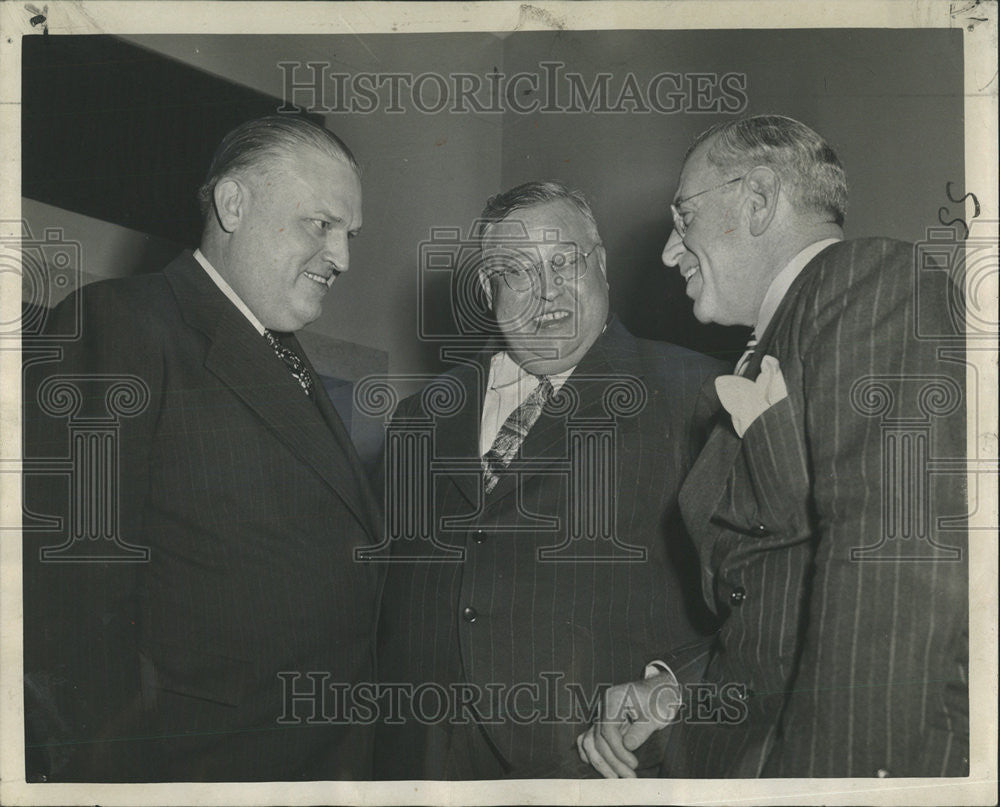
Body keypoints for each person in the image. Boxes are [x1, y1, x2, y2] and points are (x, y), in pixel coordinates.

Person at [576, 115, 969, 778]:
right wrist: (673, 688)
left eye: (684, 217)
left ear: (757, 200)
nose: (671, 252)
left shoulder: (871, 283)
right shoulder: (777, 345)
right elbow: (777, 608)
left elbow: (893, 564)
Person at [22, 116, 382, 781]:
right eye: (321, 224)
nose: (343, 258)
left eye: (350, 235)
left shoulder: (283, 359)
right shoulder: (121, 323)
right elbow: (68, 597)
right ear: (234, 204)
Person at [374, 181, 724, 778]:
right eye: (516, 272)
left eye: (564, 261)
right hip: (422, 770)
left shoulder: (693, 394)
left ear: (602, 267)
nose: (547, 291)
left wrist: (673, 687)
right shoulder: (422, 416)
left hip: (596, 768)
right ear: (488, 291)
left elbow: (773, 592)